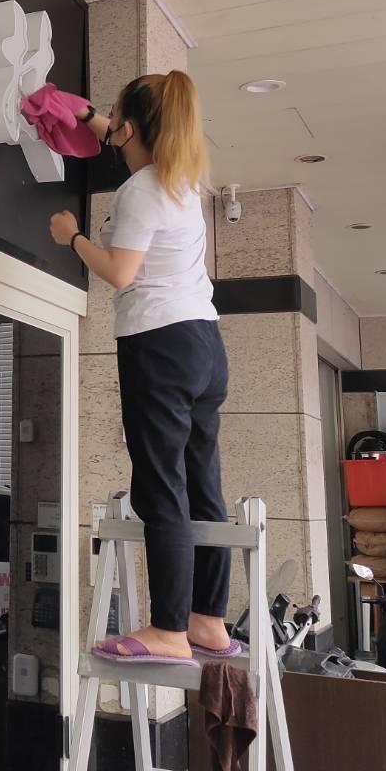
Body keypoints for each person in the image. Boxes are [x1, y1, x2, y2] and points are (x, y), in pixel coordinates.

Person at [49, 71, 233, 667]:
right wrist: (90, 119)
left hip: (159, 344)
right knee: (201, 480)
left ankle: (169, 629)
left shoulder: (140, 191)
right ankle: (208, 620)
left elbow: (120, 272)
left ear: (131, 129)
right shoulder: (183, 179)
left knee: (160, 485)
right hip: (205, 343)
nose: (108, 125)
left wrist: (72, 237)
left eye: (115, 118)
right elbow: (138, 137)